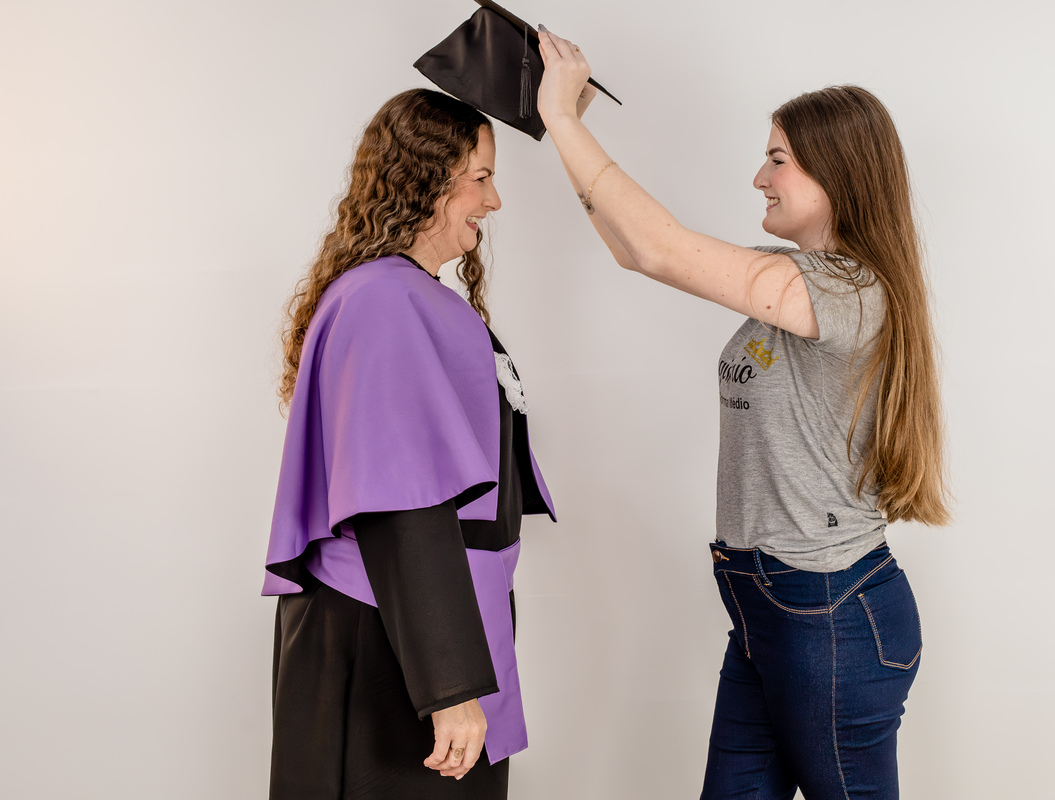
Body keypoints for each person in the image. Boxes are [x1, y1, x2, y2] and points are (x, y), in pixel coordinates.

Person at [534, 26, 950, 800]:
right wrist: (569, 129)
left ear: (836, 174)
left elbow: (660, 248)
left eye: (778, 159)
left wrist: (560, 117)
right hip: (767, 609)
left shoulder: (851, 293)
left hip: (830, 616)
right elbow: (634, 249)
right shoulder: (797, 279)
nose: (760, 177)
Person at [261, 88, 555, 800]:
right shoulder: (385, 301)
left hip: (425, 620)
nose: (493, 201)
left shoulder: (401, 294)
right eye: (480, 178)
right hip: (392, 634)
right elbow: (400, 501)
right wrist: (448, 686)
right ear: (425, 179)